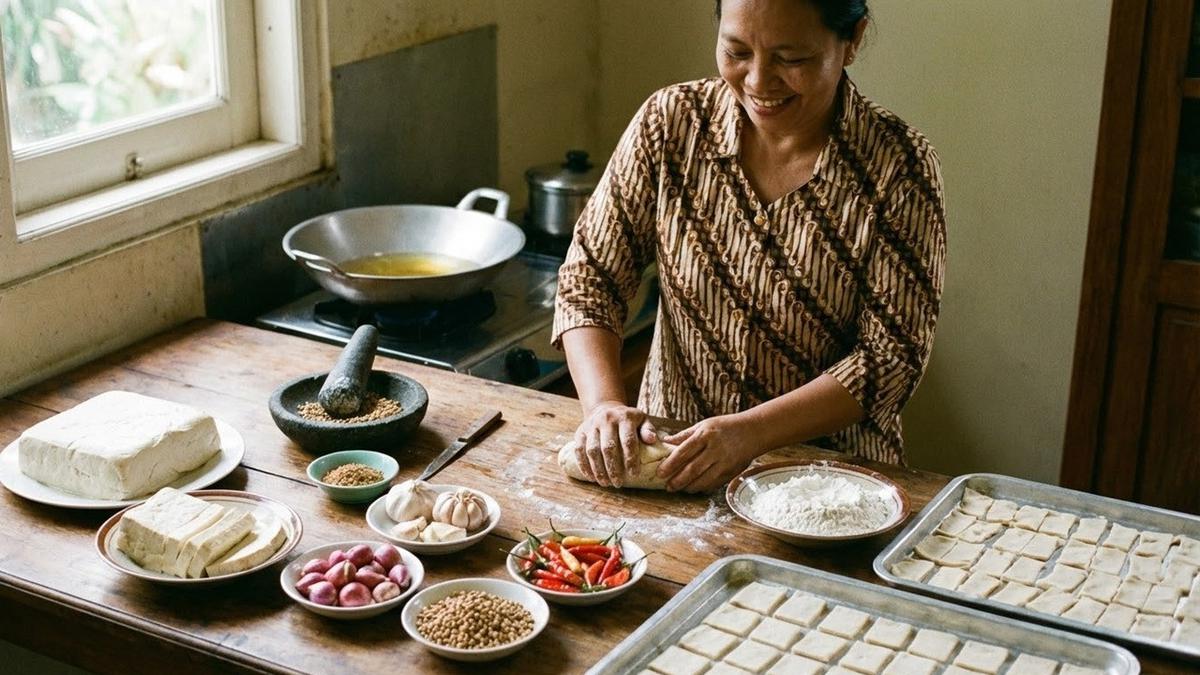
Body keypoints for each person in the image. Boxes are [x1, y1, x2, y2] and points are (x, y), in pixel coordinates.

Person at [552, 0, 946, 493]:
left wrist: (750, 435)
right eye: (736, 50)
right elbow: (590, 278)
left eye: (791, 59)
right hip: (671, 463)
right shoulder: (670, 124)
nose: (758, 81)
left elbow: (891, 358)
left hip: (827, 488)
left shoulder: (898, 168)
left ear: (853, 39)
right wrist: (604, 407)